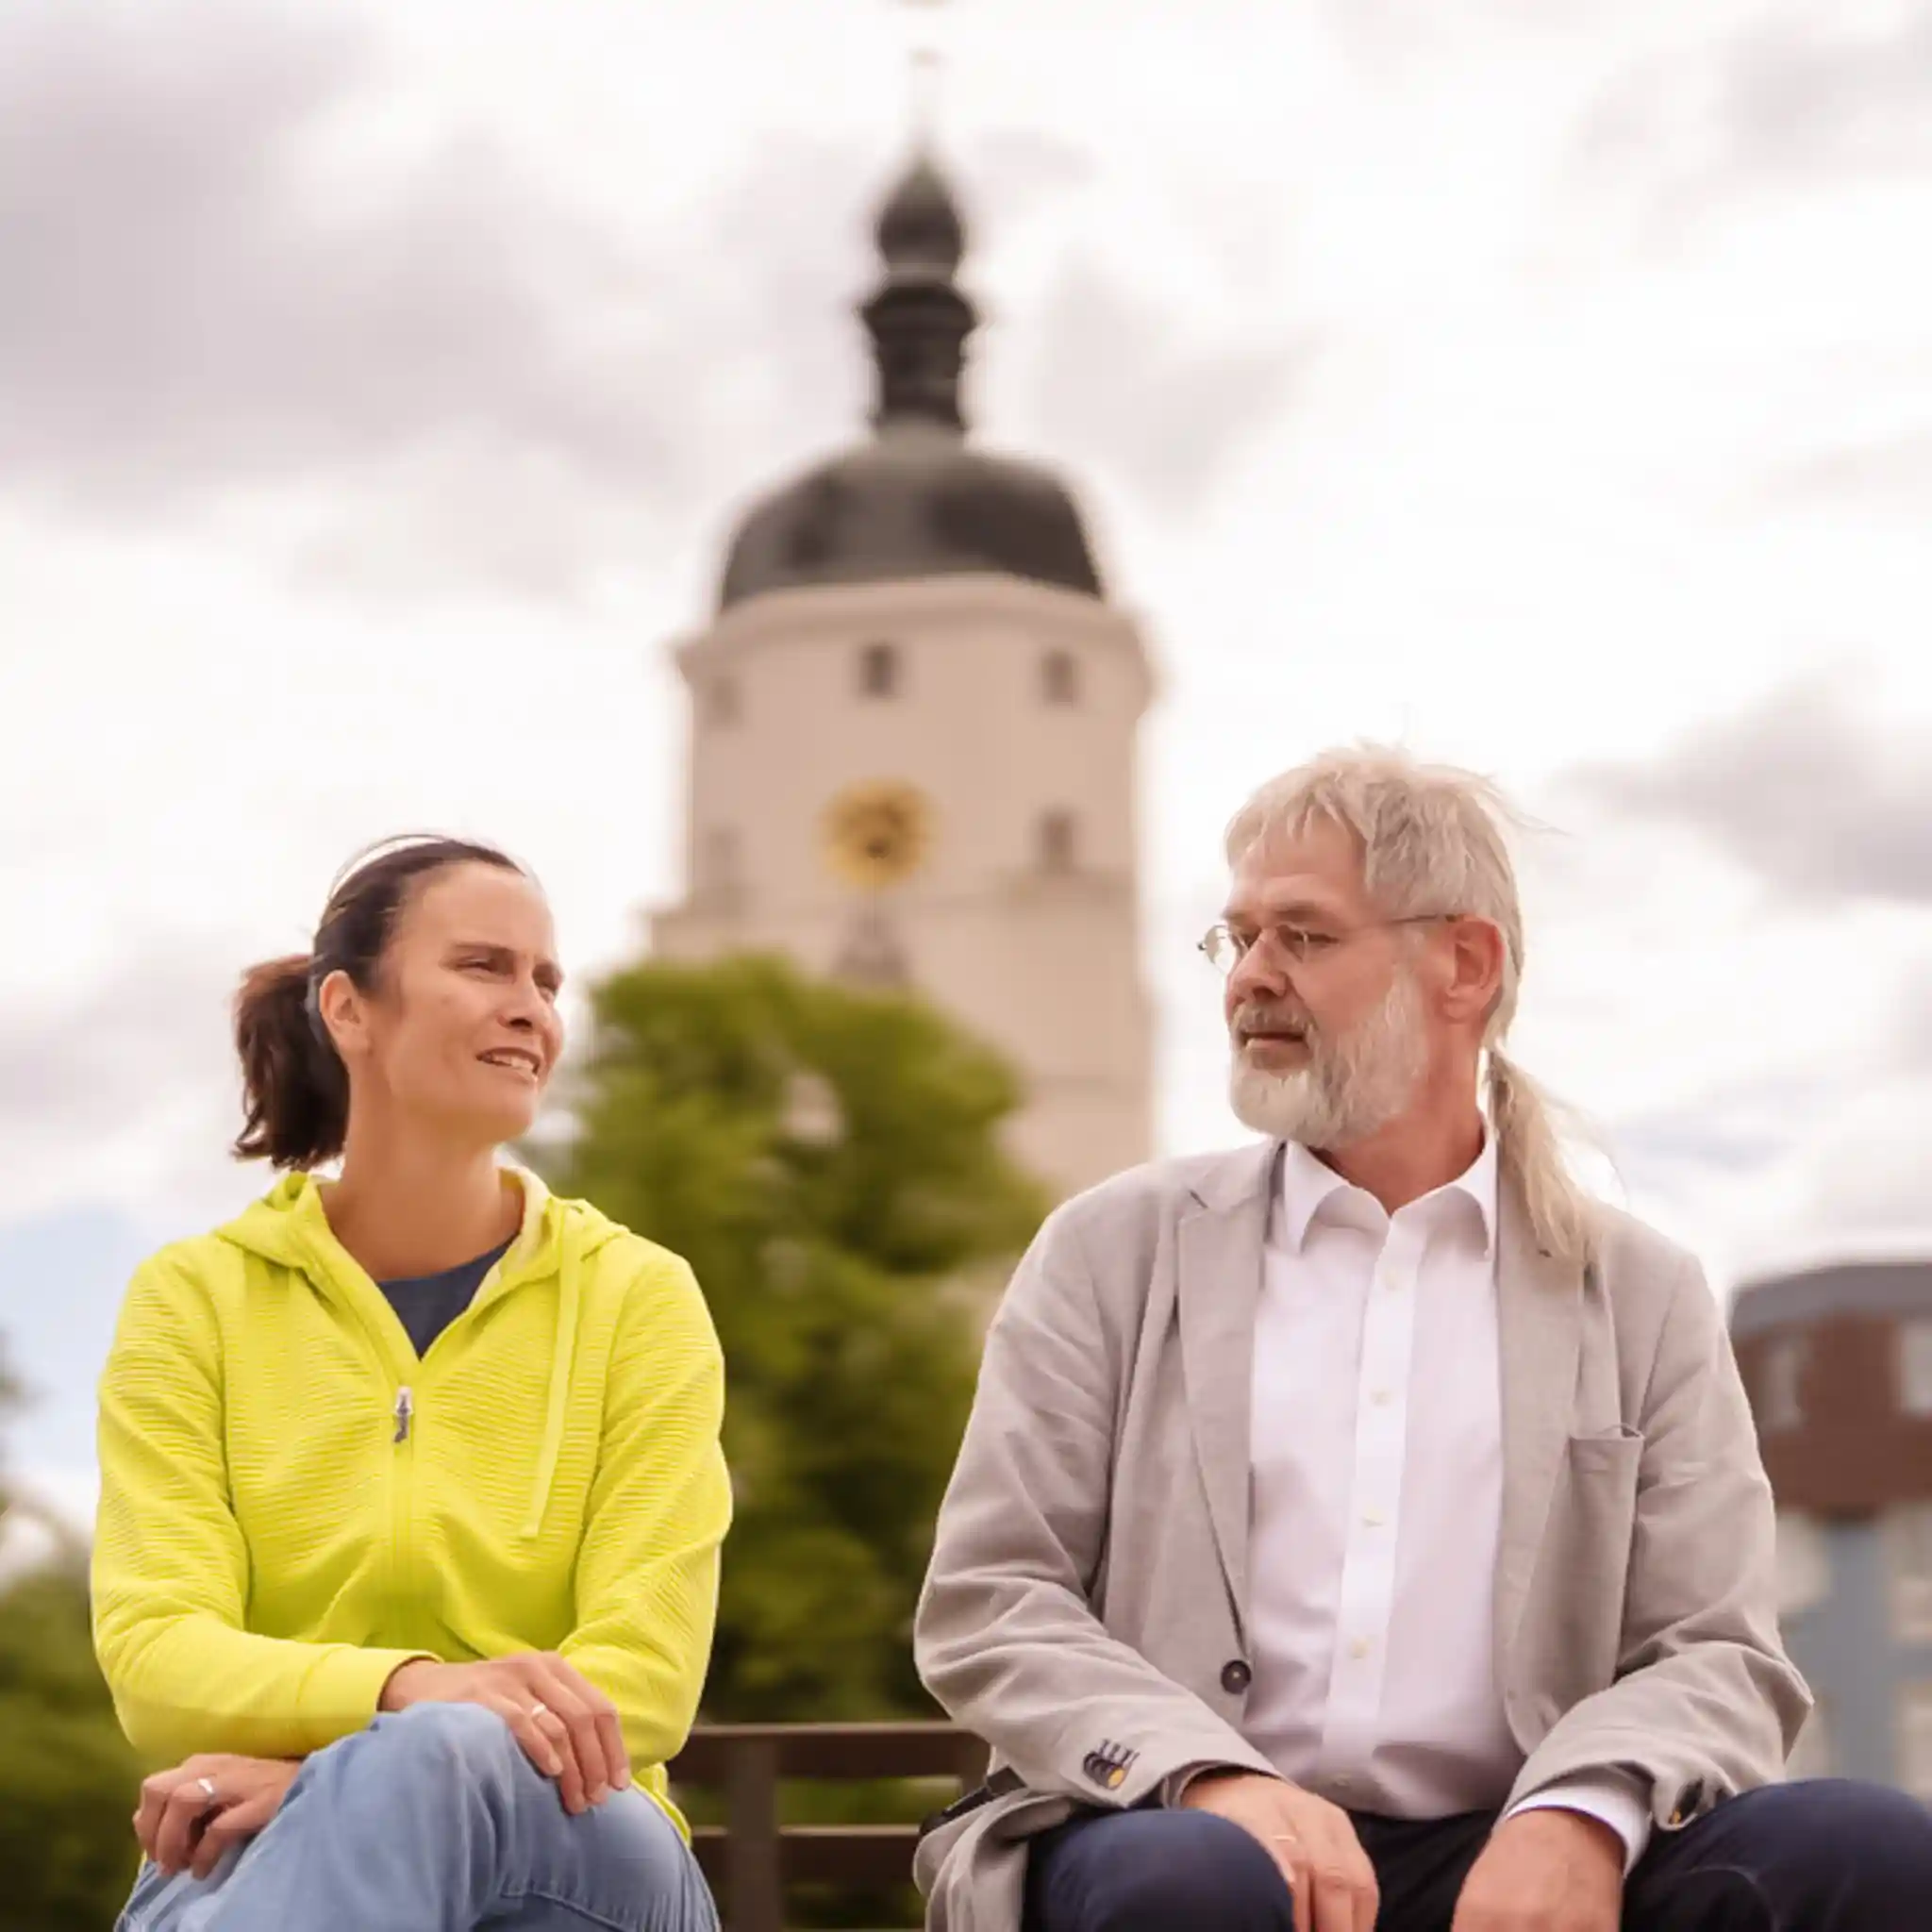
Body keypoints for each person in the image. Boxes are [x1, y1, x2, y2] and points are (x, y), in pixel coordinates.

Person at [912, 748, 1932, 1932]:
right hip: (1176, 1826)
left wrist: (1579, 1812)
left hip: (1517, 1856)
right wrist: (1208, 1775)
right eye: (1236, 937)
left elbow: (1713, 1648)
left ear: (1463, 963)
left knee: (1866, 1848)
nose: (1249, 976)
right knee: (1188, 1880)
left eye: (1301, 935)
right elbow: (993, 1595)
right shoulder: (1109, 1249)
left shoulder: (1640, 1291)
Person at [93, 836, 729, 1932]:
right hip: (243, 1850)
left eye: (546, 980)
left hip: (587, 1849)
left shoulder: (638, 1294)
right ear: (348, 1008)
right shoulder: (192, 1296)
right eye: (483, 965)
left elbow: (642, 1681)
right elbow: (158, 1654)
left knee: (438, 1755)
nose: (531, 1007)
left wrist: (334, 1778)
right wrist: (408, 1689)